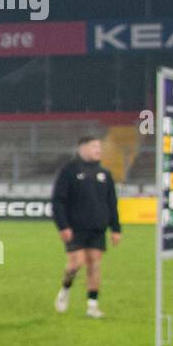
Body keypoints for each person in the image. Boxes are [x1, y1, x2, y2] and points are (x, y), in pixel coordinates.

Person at [52, 136, 121, 318]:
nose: (98, 149)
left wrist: (116, 228)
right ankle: (65, 290)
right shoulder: (69, 170)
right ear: (82, 148)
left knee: (94, 265)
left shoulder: (105, 174)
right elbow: (58, 200)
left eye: (100, 146)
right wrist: (63, 226)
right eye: (94, 146)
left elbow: (112, 203)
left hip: (98, 228)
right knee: (76, 263)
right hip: (75, 228)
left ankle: (92, 306)